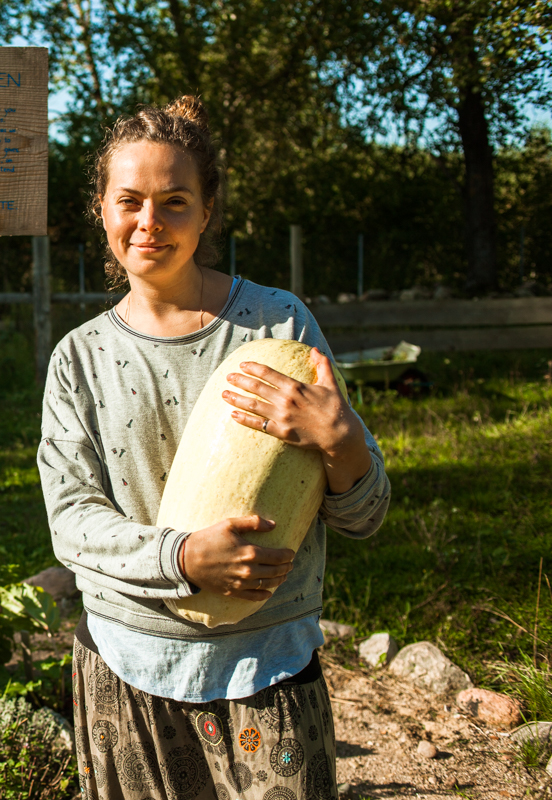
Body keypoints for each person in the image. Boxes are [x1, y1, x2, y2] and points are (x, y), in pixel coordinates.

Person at [38, 96, 390, 799]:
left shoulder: (279, 325)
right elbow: (72, 523)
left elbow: (365, 514)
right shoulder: (80, 358)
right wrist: (183, 557)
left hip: (269, 663)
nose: (149, 222)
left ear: (207, 212)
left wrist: (340, 439)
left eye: (174, 202)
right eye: (130, 200)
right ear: (102, 210)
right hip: (127, 659)